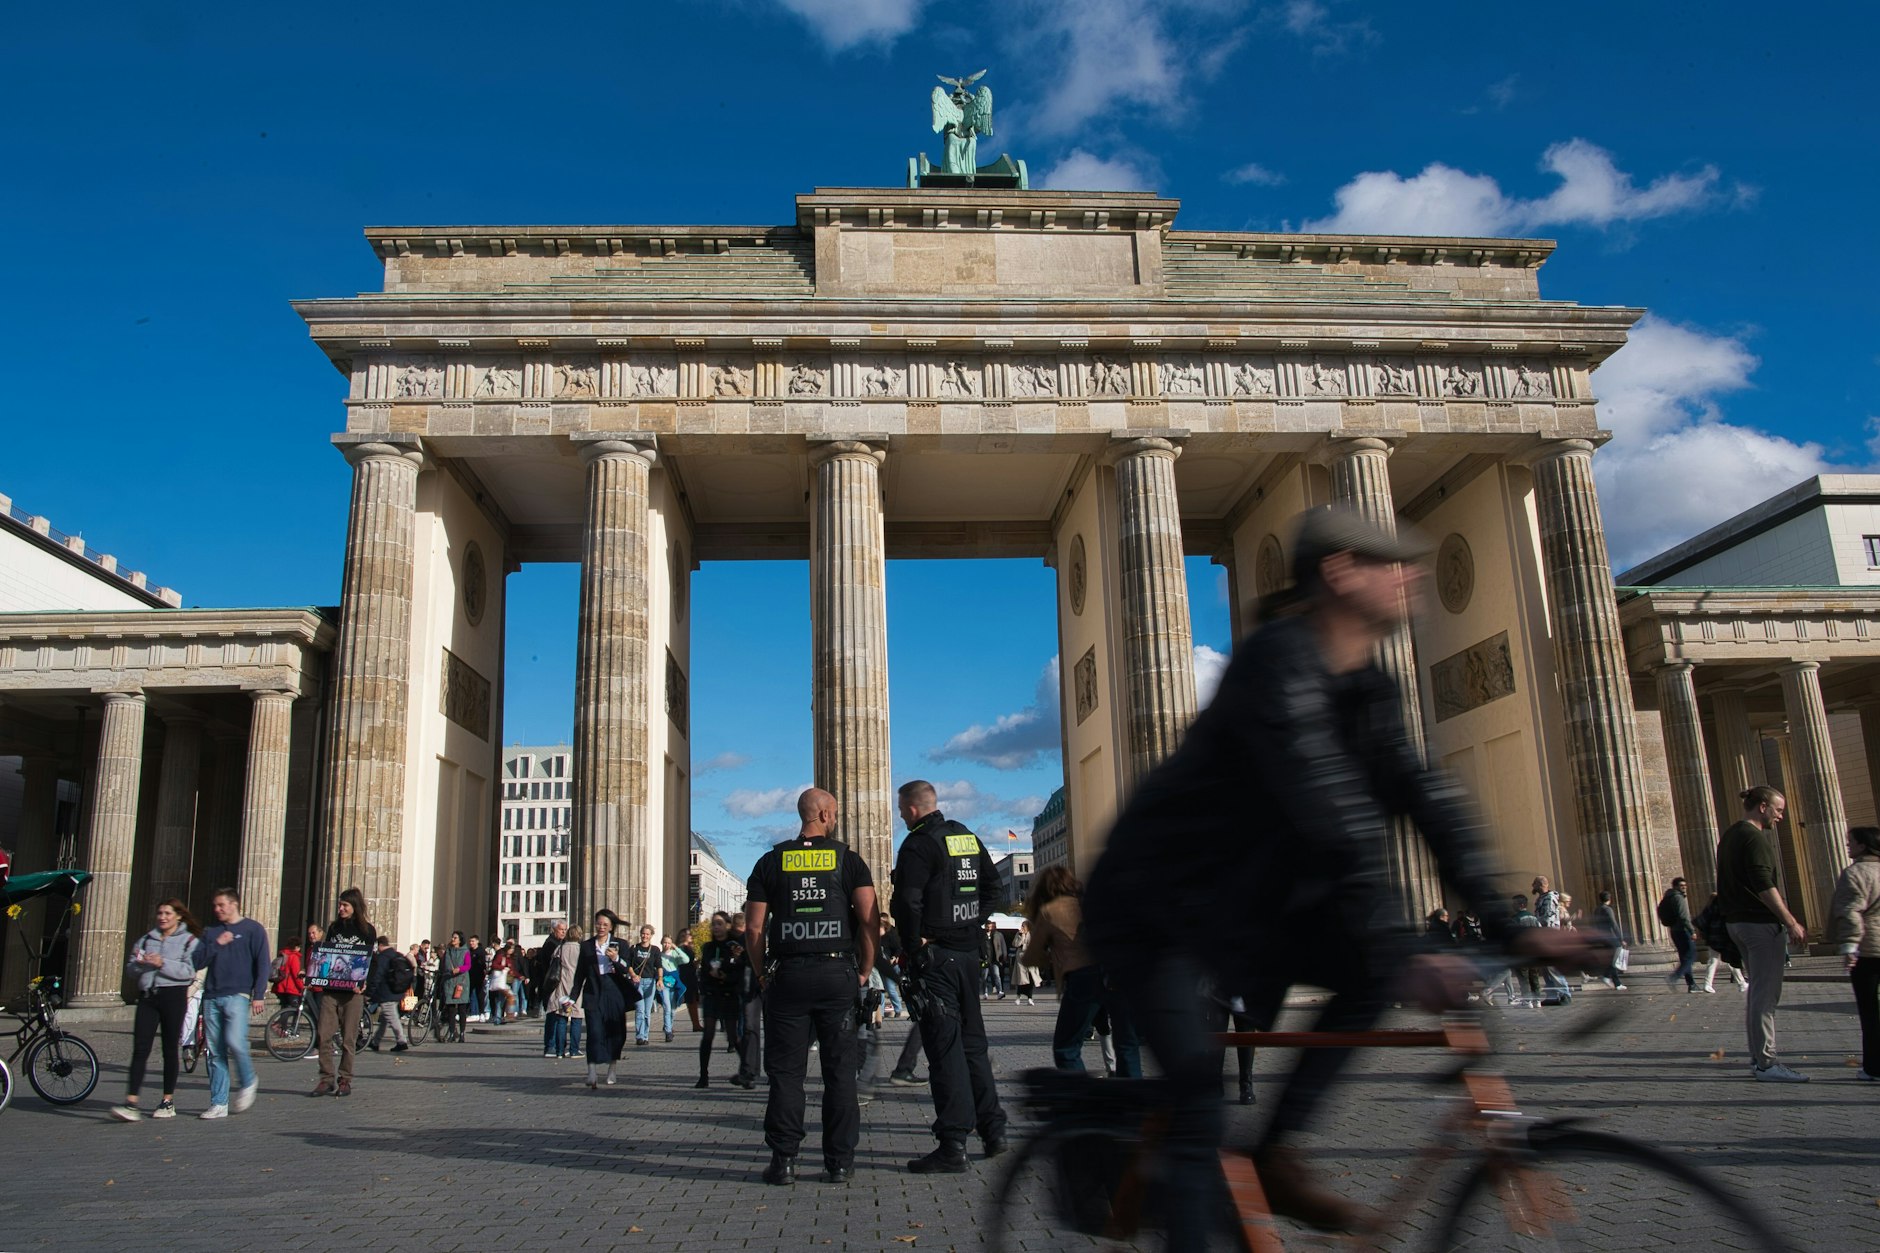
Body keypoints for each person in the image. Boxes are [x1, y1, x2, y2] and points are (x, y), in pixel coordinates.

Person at [1081, 505, 1599, 1242]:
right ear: (1340, 571)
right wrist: (1401, 944)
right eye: (1393, 563)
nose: (1412, 575)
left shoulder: (1370, 685)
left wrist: (1510, 925)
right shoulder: (1276, 662)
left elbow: (1428, 800)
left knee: (1369, 975)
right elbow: (1326, 810)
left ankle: (1277, 1153)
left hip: (1244, 906)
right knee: (1199, 1105)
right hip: (1154, 904)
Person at [744, 787, 879, 1185]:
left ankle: (783, 1161)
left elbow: (754, 928)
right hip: (837, 974)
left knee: (786, 1074)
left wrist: (762, 973)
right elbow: (869, 920)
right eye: (833, 813)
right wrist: (864, 969)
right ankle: (839, 1162)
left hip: (788, 976)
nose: (834, 819)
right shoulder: (848, 860)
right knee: (840, 1074)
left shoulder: (770, 861)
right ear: (822, 815)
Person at [889, 778, 1009, 1174]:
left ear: (911, 809)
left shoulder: (918, 844)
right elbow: (994, 889)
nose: (901, 816)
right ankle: (994, 1133)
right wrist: (970, 924)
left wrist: (914, 945)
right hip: (969, 955)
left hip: (937, 958)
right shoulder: (966, 837)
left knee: (945, 1050)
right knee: (974, 1045)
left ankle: (953, 1144)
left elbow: (908, 901)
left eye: (901, 810)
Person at [1718, 785, 1809, 1082]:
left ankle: (1759, 1058)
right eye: (1778, 810)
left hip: (1737, 923)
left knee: (1758, 992)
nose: (1780, 816)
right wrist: (1790, 921)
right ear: (1762, 807)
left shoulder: (1730, 835)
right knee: (1766, 995)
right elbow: (1763, 884)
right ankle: (1767, 1063)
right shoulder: (1754, 838)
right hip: (1759, 924)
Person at [1022, 864, 1140, 1077]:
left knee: (1066, 1048)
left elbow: (1031, 956)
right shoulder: (1093, 901)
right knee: (1127, 1045)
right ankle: (1135, 1096)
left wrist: (1052, 957)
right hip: (1117, 972)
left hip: (1083, 977)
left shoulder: (1051, 911)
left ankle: (1083, 1094)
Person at [111, 899, 201, 1121]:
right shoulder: (145, 939)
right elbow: (130, 968)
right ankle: (131, 1102)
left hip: (173, 996)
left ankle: (167, 1101)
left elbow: (189, 972)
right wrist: (142, 964)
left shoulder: (189, 941)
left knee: (169, 1048)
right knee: (140, 1048)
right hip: (148, 996)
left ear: (178, 916)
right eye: (160, 913)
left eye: (167, 913)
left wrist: (163, 963)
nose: (162, 917)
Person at [192, 886, 272, 1120]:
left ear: (234, 904)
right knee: (214, 1052)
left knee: (236, 1042)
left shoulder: (253, 929)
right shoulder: (211, 932)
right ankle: (219, 1103)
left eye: (221, 905)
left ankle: (248, 1080)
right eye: (215, 906)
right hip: (212, 995)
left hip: (238, 994)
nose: (217, 909)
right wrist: (217, 944)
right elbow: (197, 961)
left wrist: (259, 994)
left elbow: (263, 963)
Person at [311, 887, 377, 1097]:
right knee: (324, 1034)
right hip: (332, 990)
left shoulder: (367, 931)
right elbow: (327, 955)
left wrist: (365, 983)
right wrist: (313, 971)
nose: (340, 908)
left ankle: (345, 1079)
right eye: (340, 904)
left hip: (353, 992)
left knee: (349, 1038)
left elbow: (371, 961)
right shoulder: (334, 928)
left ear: (354, 906)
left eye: (344, 905)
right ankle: (326, 1079)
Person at [1829, 826, 1880, 1081]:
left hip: (1868, 950)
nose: (1848, 845)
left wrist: (1849, 946)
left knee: (1870, 1011)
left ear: (1863, 845)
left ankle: (1874, 1067)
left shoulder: (1855, 873)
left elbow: (1851, 912)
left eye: (1851, 841)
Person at [567, 908, 638, 1088]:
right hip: (593, 993)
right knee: (594, 1032)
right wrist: (572, 998)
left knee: (616, 1032)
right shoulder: (586, 946)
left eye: (605, 924)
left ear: (611, 927)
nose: (601, 927)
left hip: (614, 992)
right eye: (598, 924)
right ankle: (591, 1071)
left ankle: (612, 1068)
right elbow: (580, 974)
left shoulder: (621, 944)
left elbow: (626, 968)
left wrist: (616, 959)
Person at [696, 911, 754, 1088]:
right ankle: (703, 1075)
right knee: (708, 1034)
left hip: (729, 994)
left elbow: (740, 969)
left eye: (720, 924)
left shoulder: (734, 947)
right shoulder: (708, 947)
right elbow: (703, 970)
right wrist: (707, 981)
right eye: (714, 924)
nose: (716, 927)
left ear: (727, 926)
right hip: (712, 995)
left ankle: (747, 1072)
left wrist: (724, 976)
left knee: (733, 1036)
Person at [365, 934, 414, 1052]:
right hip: (397, 991)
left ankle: (401, 1041)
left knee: (392, 1017)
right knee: (385, 1018)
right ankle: (375, 1041)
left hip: (387, 993)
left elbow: (377, 976)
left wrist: (369, 992)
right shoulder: (397, 954)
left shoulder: (383, 957)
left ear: (380, 945)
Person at [546, 923, 586, 1060]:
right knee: (576, 1018)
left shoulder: (560, 948)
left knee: (561, 1019)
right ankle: (574, 1050)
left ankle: (559, 1051)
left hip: (562, 986)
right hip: (577, 987)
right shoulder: (581, 949)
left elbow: (552, 964)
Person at [1658, 877, 1698, 992]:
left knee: (1685, 957)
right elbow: (1684, 917)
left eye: (1685, 885)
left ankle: (1691, 984)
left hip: (1674, 931)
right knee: (1691, 956)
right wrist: (1692, 931)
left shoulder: (1668, 897)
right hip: (1683, 930)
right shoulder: (1678, 897)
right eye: (1681, 886)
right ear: (1675, 887)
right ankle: (1674, 977)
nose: (1684, 887)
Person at [627, 924, 664, 1046]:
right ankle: (639, 1036)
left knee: (647, 1012)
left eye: (647, 934)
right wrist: (633, 975)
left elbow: (659, 966)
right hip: (637, 982)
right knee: (640, 1009)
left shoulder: (655, 950)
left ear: (651, 935)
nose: (645, 936)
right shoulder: (634, 948)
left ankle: (645, 1035)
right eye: (643, 933)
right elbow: (628, 965)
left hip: (650, 982)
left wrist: (660, 979)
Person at [535, 921, 569, 1055]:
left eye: (565, 929)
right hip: (551, 984)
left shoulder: (560, 943)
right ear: (554, 930)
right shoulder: (551, 944)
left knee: (559, 1015)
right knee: (552, 1015)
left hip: (556, 984)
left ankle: (558, 1045)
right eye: (561, 929)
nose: (563, 932)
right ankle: (551, 1045)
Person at [1588, 890, 1629, 989]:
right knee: (1616, 956)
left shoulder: (1597, 909)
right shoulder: (1608, 909)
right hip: (1610, 936)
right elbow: (1614, 924)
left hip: (1601, 936)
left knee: (1611, 959)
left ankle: (1617, 983)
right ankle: (1606, 976)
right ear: (1609, 899)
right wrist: (1620, 938)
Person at [439, 932, 472, 1042]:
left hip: (462, 981)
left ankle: (462, 1033)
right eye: (452, 937)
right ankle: (452, 1032)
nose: (453, 939)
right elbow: (446, 963)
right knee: (451, 1010)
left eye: (455, 938)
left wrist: (460, 969)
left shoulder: (465, 951)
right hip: (450, 980)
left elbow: (468, 965)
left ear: (460, 940)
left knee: (462, 1009)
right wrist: (449, 970)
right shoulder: (449, 950)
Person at [1011, 921, 1043, 1005]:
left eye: (1024, 926)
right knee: (1021, 980)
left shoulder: (1032, 934)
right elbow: (1015, 944)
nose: (1022, 928)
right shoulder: (1018, 934)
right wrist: (1020, 936)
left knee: (1031, 979)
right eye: (1021, 926)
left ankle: (1030, 998)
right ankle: (1018, 997)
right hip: (1021, 959)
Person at [271, 938, 306, 1009]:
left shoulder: (283, 955)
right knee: (292, 1010)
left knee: (284, 1009)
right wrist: (302, 987)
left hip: (280, 988)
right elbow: (296, 976)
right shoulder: (294, 957)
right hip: (291, 989)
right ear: (296, 947)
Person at [487, 941, 514, 1025]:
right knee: (501, 999)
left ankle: (500, 1017)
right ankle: (500, 1017)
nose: (512, 950)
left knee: (502, 1000)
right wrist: (503, 968)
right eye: (511, 949)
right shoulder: (501, 956)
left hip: (504, 981)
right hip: (500, 982)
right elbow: (494, 965)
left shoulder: (507, 957)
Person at [980, 922, 1007, 1000]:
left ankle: (1000, 991)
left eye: (990, 927)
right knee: (984, 977)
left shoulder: (997, 935)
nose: (989, 928)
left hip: (995, 959)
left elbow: (1002, 946)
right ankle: (985, 992)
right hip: (984, 960)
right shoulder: (981, 935)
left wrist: (1003, 956)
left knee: (996, 975)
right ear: (985, 927)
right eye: (988, 927)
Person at [467, 935, 488, 1022]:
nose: (471, 943)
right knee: (469, 995)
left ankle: (482, 1013)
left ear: (477, 941)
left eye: (473, 941)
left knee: (480, 995)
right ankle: (470, 1013)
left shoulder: (481, 951)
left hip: (479, 976)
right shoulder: (469, 951)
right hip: (470, 976)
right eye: (470, 941)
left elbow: (484, 964)